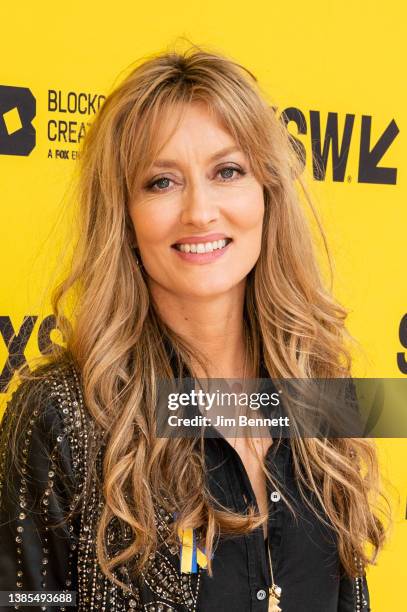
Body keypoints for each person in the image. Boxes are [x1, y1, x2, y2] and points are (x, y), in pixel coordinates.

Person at [0, 44, 389, 611]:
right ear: (124, 217)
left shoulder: (320, 391)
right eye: (162, 182)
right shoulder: (60, 417)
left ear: (267, 196)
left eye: (227, 171)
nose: (200, 211)